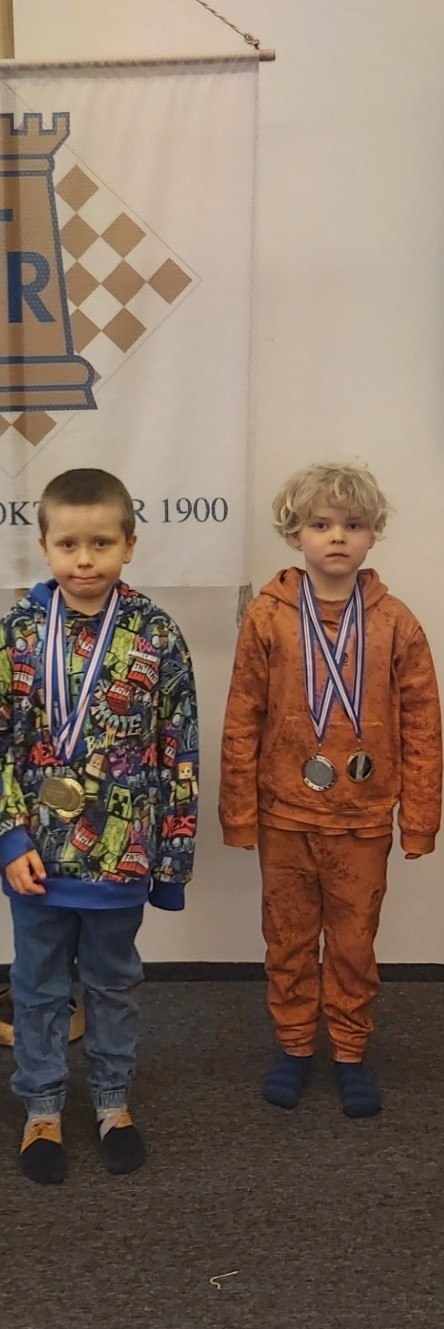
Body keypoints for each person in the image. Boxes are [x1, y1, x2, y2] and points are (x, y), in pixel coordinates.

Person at [0, 467, 198, 1185]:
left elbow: (179, 749)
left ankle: (113, 1099)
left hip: (122, 859)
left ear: (130, 544)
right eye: (68, 544)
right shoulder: (15, 635)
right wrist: (8, 837)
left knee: (113, 984)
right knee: (37, 987)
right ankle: (41, 1107)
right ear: (44, 546)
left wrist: (170, 863)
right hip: (36, 859)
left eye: (101, 543)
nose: (85, 560)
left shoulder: (157, 635)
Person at [219, 463, 442, 1118]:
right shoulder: (267, 618)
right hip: (285, 815)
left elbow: (423, 723)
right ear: (295, 534)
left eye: (353, 524)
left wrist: (420, 818)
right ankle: (294, 1044)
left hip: (362, 819)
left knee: (352, 942)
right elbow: (243, 716)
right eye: (320, 524)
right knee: (287, 937)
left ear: (373, 534)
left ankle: (349, 1049)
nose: (337, 536)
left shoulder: (396, 623)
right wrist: (239, 812)